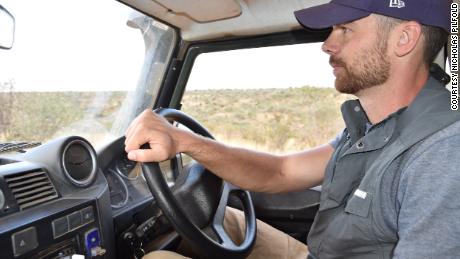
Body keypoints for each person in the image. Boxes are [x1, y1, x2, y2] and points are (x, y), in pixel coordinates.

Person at [125, 0, 460, 258]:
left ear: (405, 39)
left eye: (345, 29)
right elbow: (282, 172)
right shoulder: (370, 127)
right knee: (220, 217)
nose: (327, 45)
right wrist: (185, 141)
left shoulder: (441, 151)